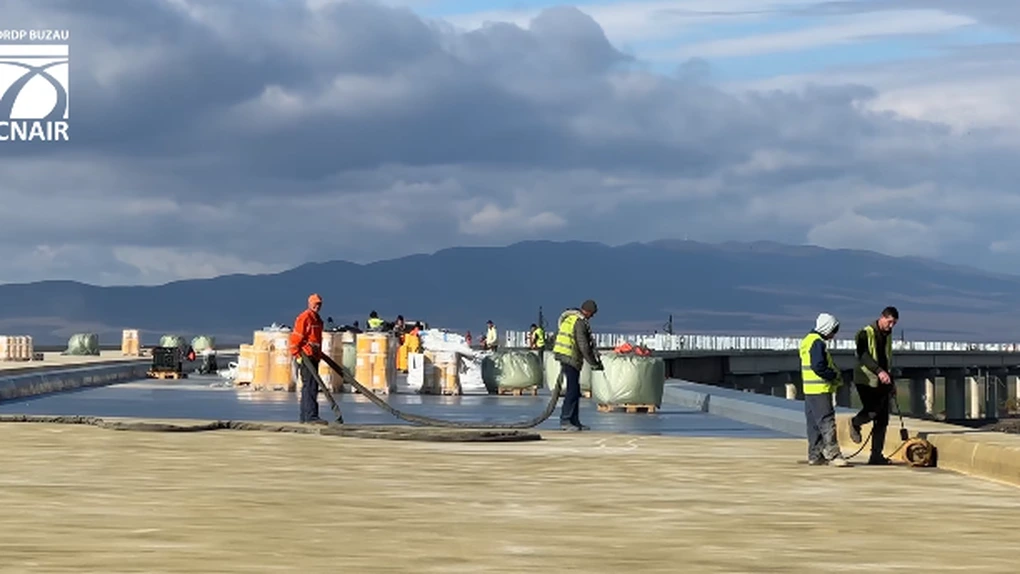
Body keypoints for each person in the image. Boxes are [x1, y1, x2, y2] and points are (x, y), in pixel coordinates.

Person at [848, 306, 899, 465]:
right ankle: (855, 422)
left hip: (883, 380)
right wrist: (878, 371)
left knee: (883, 419)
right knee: (872, 411)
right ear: (882, 317)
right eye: (889, 322)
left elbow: (886, 360)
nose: (891, 326)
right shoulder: (865, 333)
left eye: (894, 323)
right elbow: (863, 355)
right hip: (866, 380)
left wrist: (892, 382)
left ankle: (876, 455)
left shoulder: (888, 335)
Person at [799, 312, 849, 466]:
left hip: (809, 389)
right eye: (833, 331)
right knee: (827, 422)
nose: (834, 335)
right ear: (827, 328)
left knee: (813, 424)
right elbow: (818, 366)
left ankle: (815, 455)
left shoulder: (807, 340)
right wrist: (832, 375)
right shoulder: (818, 342)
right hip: (820, 389)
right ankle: (834, 455)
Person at [552, 300, 604, 432]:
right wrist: (593, 363)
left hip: (564, 355)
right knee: (573, 390)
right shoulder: (579, 322)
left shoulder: (570, 318)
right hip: (570, 357)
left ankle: (574, 421)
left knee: (575, 389)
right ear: (588, 311)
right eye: (592, 314)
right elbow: (583, 345)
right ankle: (566, 420)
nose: (592, 317)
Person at [290, 293, 325, 424]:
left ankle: (306, 416)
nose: (317, 306)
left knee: (311, 386)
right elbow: (296, 337)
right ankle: (310, 416)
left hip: (314, 356)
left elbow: (316, 339)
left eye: (319, 304)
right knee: (309, 386)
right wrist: (297, 354)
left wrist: (319, 354)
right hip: (306, 356)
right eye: (315, 304)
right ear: (310, 304)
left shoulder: (317, 319)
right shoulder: (305, 318)